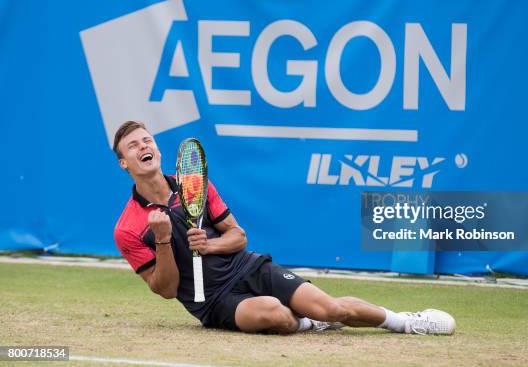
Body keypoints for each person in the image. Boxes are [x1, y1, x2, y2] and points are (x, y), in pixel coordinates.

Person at [113, 120, 456, 335]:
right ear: (123, 163)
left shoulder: (194, 184)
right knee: (277, 316)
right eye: (134, 145)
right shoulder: (128, 227)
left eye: (147, 140)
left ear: (157, 149)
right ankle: (308, 322)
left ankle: (407, 321)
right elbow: (167, 290)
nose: (144, 146)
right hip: (214, 301)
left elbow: (238, 236)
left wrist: (212, 246)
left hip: (248, 268)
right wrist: (162, 240)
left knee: (334, 309)